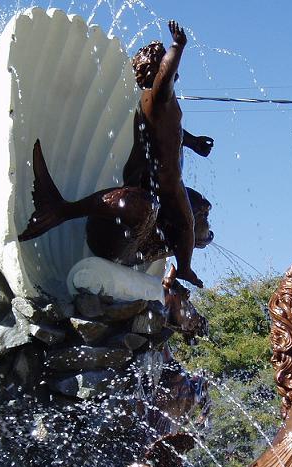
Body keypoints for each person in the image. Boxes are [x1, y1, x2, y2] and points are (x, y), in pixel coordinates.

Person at [123, 19, 211, 288]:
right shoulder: (158, 95)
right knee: (187, 222)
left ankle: (160, 245)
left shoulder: (159, 103)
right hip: (166, 180)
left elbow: (169, 134)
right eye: (164, 65)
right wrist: (177, 46)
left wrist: (193, 142)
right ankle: (184, 268)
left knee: (195, 209)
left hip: (160, 176)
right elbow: (165, 74)